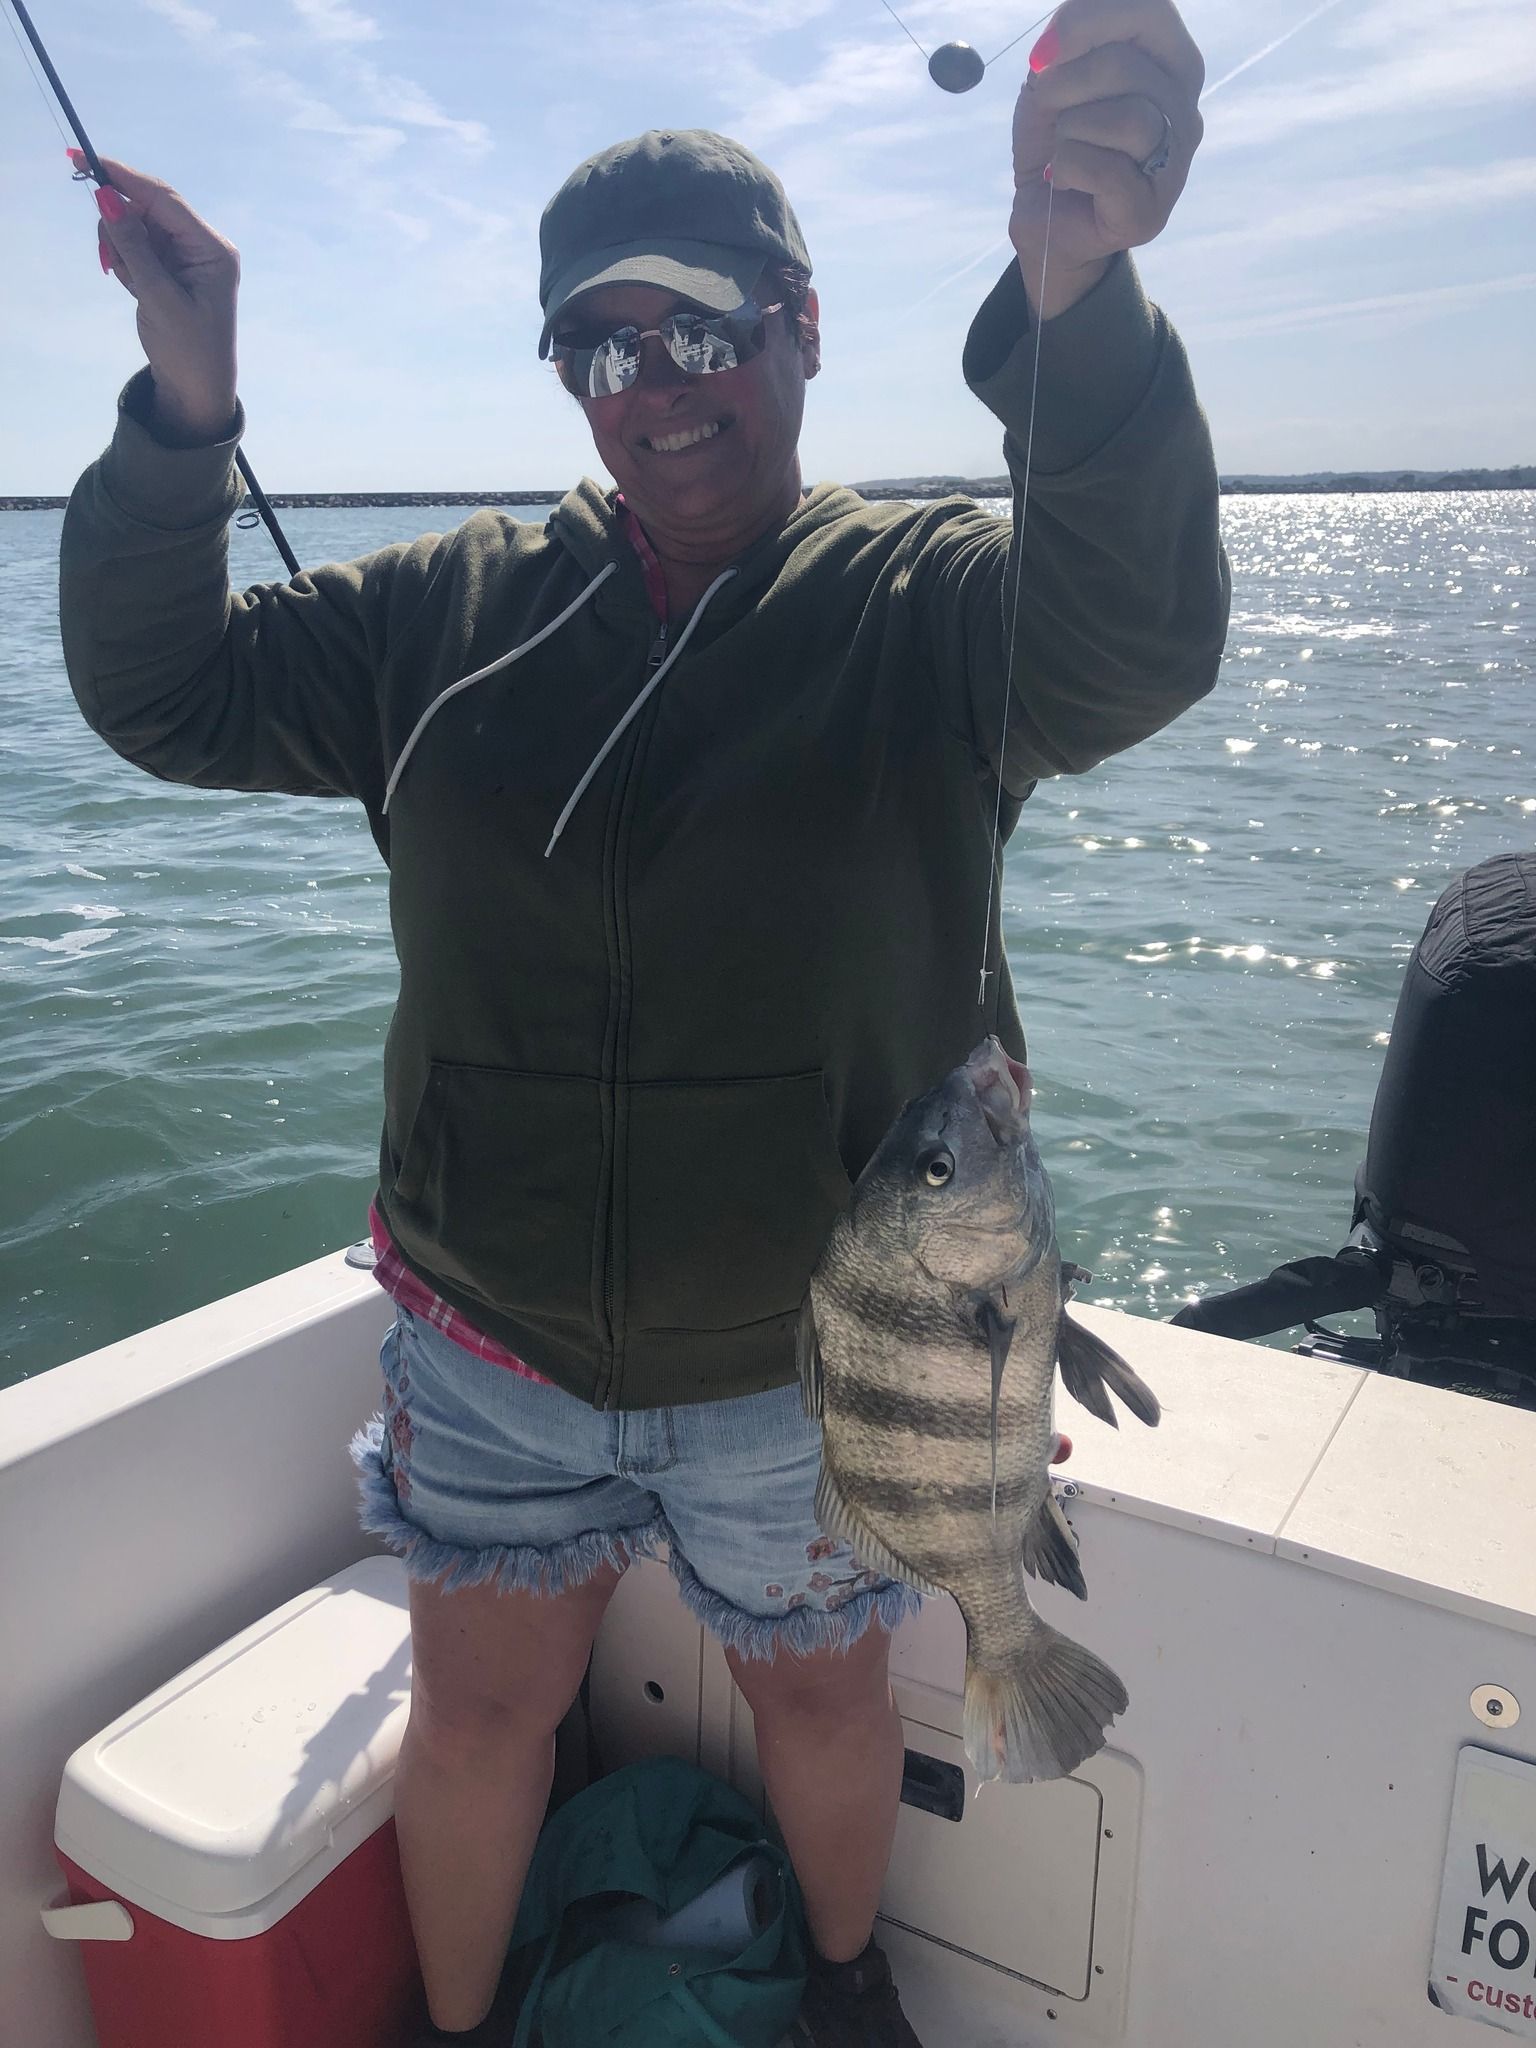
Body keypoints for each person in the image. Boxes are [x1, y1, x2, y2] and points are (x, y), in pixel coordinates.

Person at [60, 4, 1225, 2040]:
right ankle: (449, 2023)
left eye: (700, 327)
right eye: (600, 349)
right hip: (488, 1338)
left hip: (812, 1357)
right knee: (482, 1701)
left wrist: (1081, 297)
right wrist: (183, 409)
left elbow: (1136, 630)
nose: (656, 388)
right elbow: (160, 697)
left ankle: (846, 1990)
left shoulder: (931, 608)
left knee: (823, 1685)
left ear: (802, 324)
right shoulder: (436, 615)